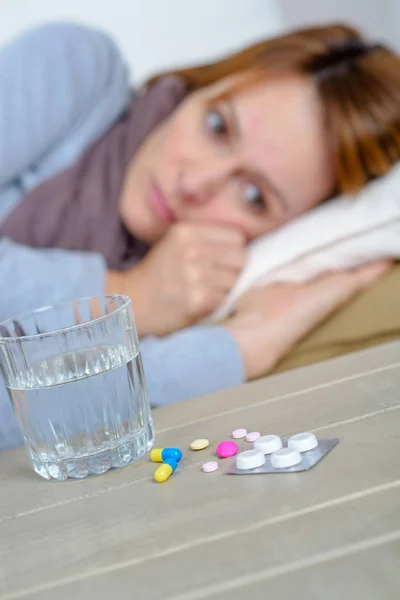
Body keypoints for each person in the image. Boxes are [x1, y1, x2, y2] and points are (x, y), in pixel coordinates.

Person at [0, 22, 397, 450]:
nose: (195, 184)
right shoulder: (74, 70)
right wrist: (125, 294)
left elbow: (30, 429)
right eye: (217, 126)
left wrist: (242, 342)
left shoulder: (198, 299)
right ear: (205, 86)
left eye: (253, 196)